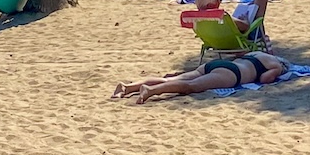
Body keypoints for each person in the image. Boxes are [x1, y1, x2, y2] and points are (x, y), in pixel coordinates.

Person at [112, 50, 289, 103]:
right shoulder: (275, 64)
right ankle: (151, 91)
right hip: (231, 74)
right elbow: (265, 79)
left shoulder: (258, 53)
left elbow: (240, 54)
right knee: (192, 86)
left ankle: (127, 87)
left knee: (173, 79)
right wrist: (279, 71)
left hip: (217, 65)